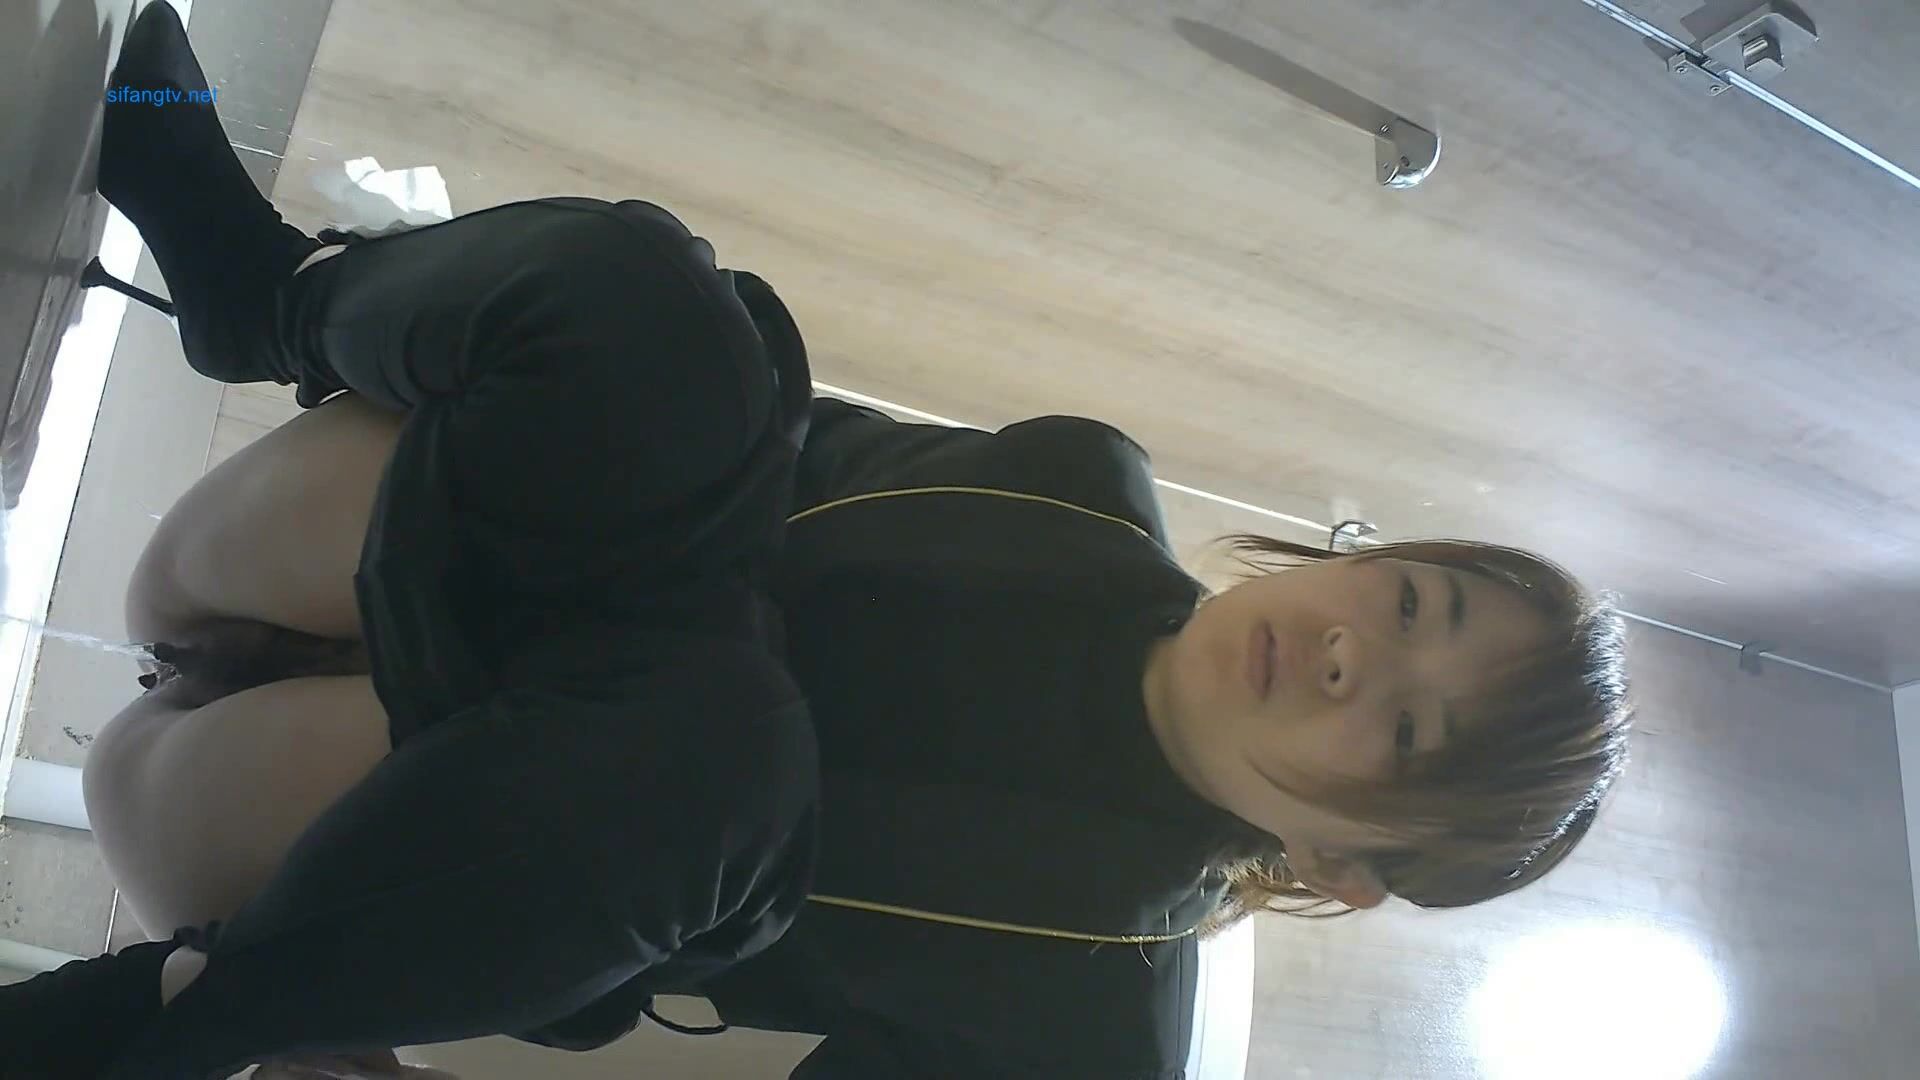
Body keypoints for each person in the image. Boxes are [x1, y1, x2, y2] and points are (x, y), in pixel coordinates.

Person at [0, 4, 1633, 1078]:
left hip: (317, 829)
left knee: (717, 756)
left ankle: (159, 1035)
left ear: (1344, 868)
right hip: (334, 565)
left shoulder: (1088, 1030)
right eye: (1410, 605)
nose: (1351, 654)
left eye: (1403, 731)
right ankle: (259, 283)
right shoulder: (1081, 485)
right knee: (675, 320)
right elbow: (694, 437)